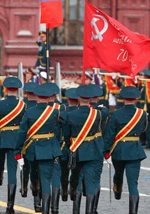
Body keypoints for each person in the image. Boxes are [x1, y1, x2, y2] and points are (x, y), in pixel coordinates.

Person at [15, 82, 62, 214]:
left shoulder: (29, 112)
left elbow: (22, 132)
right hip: (48, 149)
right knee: (46, 180)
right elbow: (58, 131)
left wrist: (18, 150)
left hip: (32, 149)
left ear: (36, 97)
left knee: (34, 176)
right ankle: (46, 210)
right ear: (48, 98)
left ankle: (36, 199)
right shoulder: (55, 112)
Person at [0, 77, 26, 214]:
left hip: (1, 139)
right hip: (15, 141)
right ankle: (10, 206)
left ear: (6, 90)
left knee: (0, 160)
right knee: (13, 172)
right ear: (18, 90)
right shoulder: (23, 105)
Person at [103, 86, 147, 214]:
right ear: (135, 100)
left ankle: (117, 188)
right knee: (133, 184)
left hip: (119, 149)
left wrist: (106, 151)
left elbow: (110, 134)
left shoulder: (116, 114)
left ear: (123, 100)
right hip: (135, 149)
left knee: (118, 173)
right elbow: (143, 129)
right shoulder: (142, 113)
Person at [64, 84, 104, 214]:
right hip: (92, 150)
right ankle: (90, 211)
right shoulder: (98, 114)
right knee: (91, 181)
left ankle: (75, 211)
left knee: (77, 180)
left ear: (79, 99)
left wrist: (70, 147)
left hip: (77, 151)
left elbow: (66, 136)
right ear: (91, 99)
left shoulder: (70, 115)